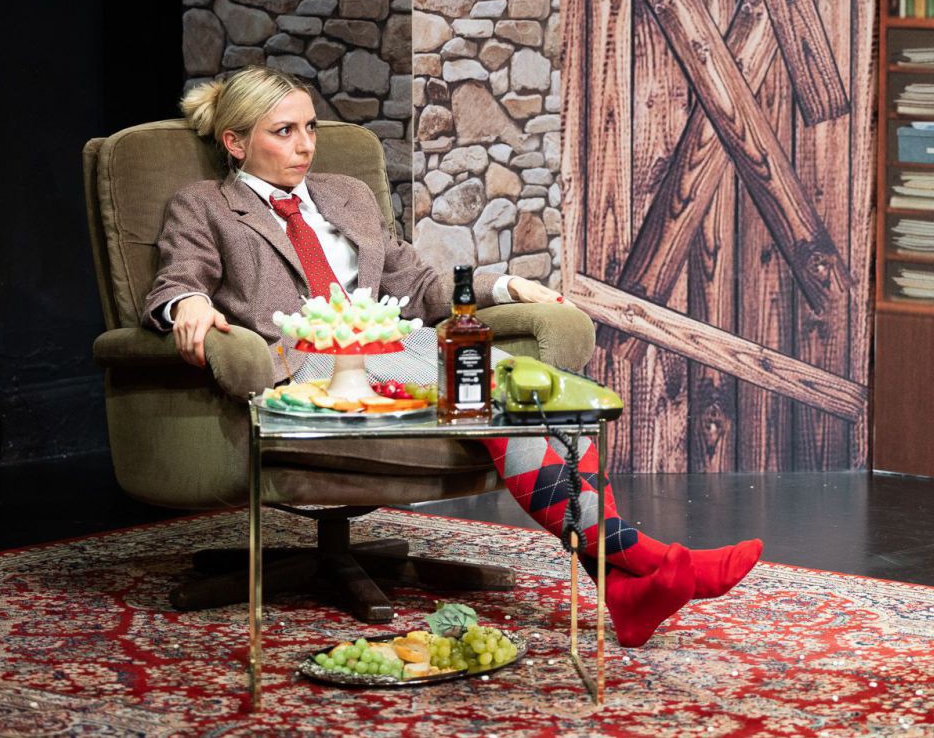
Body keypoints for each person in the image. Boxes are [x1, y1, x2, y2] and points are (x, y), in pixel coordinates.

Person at [141, 67, 760, 646]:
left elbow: (419, 287)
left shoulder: (346, 195)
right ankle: (652, 561)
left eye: (309, 128)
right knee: (488, 396)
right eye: (284, 132)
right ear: (235, 142)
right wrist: (187, 304)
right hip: (317, 364)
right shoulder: (206, 205)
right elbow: (175, 281)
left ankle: (623, 587)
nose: (305, 145)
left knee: (549, 395)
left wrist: (506, 286)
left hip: (399, 345)